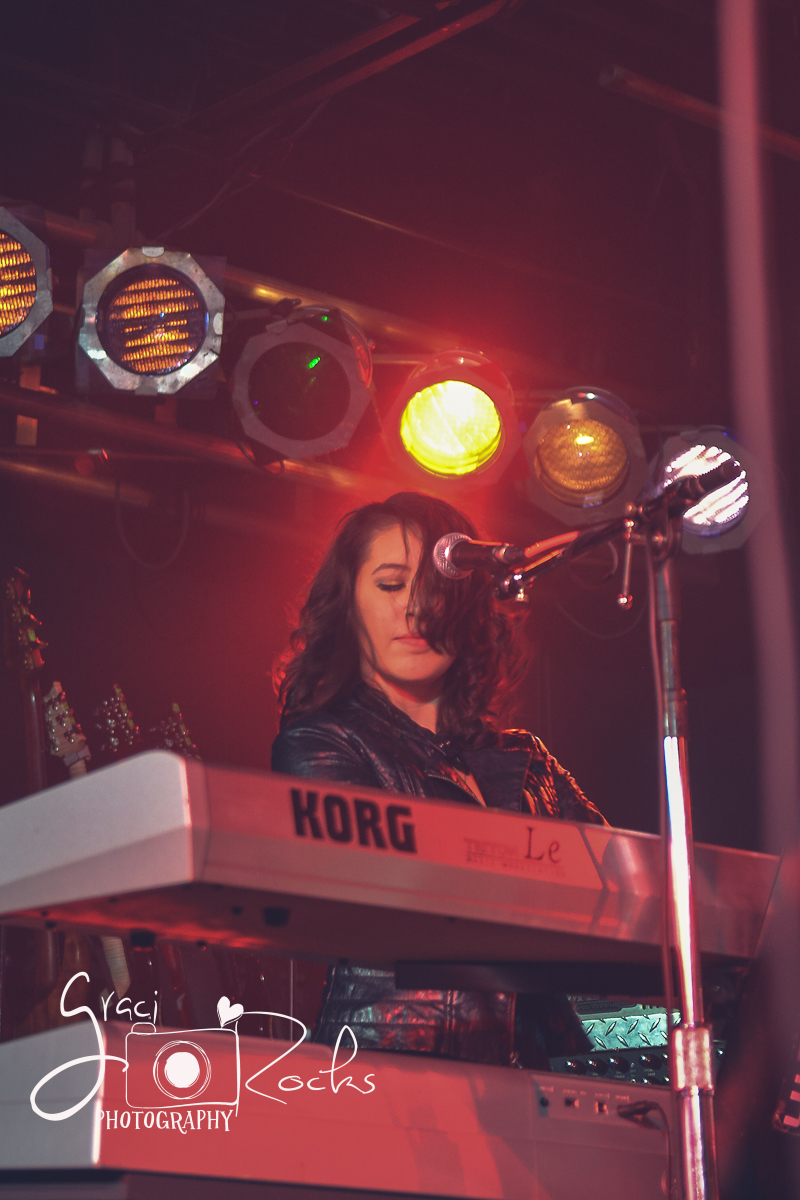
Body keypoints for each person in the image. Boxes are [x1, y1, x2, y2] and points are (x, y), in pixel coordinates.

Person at [272, 491, 605, 1067]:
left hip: (542, 1073)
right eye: (390, 584)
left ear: (469, 606)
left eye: (436, 587)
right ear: (348, 605)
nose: (415, 609)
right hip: (389, 1066)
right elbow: (389, 899)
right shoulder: (319, 743)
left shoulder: (527, 759)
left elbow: (616, 896)